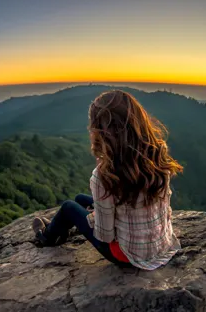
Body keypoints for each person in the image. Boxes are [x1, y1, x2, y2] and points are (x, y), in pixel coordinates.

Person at [32, 90, 183, 270]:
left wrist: (95, 218)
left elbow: (105, 236)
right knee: (81, 199)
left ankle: (47, 236)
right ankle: (61, 228)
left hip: (127, 255)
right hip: (161, 245)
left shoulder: (103, 176)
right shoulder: (157, 156)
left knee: (69, 207)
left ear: (100, 132)